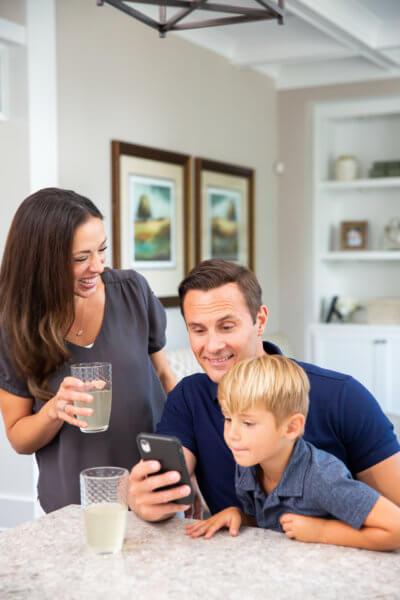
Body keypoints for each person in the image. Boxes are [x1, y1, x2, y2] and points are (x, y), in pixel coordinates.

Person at [128, 259, 400, 522]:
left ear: (260, 319)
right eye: (198, 330)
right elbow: (165, 487)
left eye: (227, 326)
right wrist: (146, 498)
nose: (212, 346)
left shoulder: (343, 397)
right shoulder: (189, 398)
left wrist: (319, 531)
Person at [0, 188, 176, 513]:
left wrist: (192, 459)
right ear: (41, 262)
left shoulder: (131, 292)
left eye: (102, 251)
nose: (97, 266)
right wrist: (54, 410)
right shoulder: (15, 326)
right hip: (73, 508)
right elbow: (18, 437)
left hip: (153, 495)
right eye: (81, 258)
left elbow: (165, 377)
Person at [185, 355, 400, 551]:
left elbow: (396, 528)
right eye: (228, 418)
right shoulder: (249, 464)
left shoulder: (322, 477)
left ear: (291, 427)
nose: (232, 434)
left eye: (248, 423)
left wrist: (321, 531)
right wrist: (240, 517)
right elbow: (269, 527)